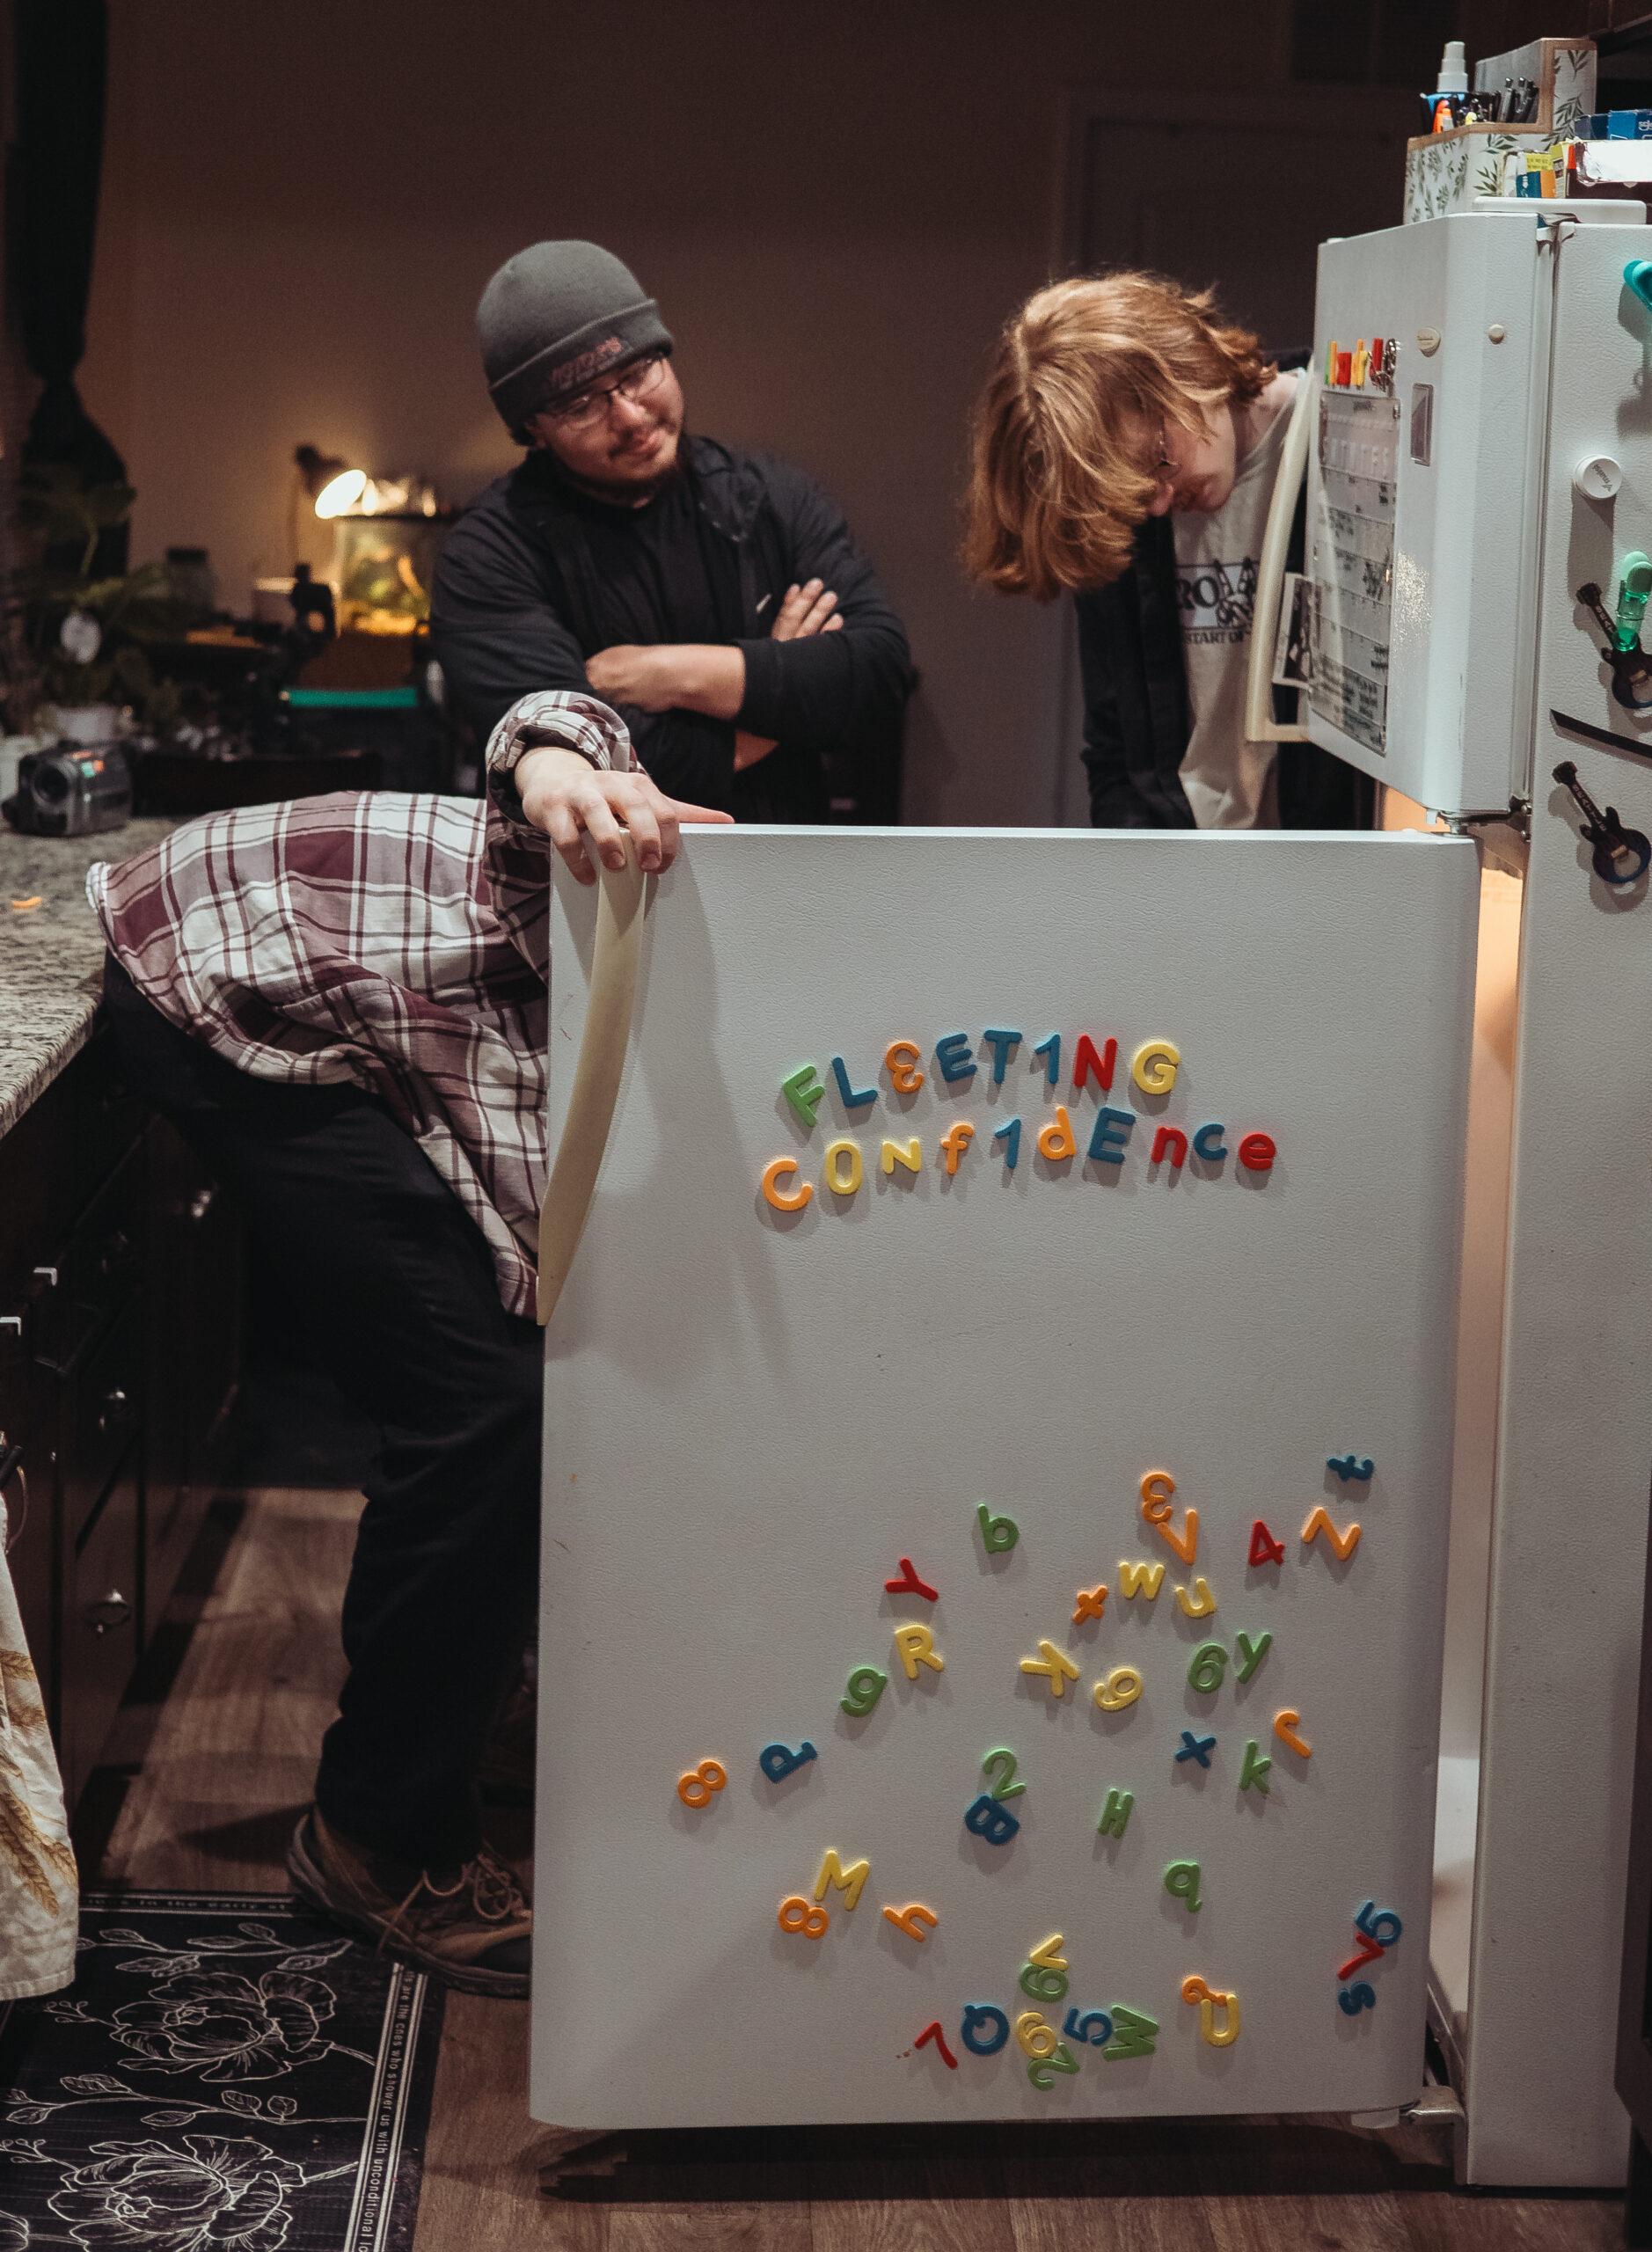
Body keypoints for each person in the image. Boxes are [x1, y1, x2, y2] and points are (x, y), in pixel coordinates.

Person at [91, 692, 723, 1996]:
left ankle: (468, 1705)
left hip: (334, 958)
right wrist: (563, 763)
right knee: (483, 1400)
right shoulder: (583, 975)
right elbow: (550, 718)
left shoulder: (677, 1013)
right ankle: (382, 1833)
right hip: (203, 973)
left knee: (524, 1381)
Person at [432, 239, 916, 823]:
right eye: (581, 404)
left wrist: (668, 673)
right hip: (600, 896)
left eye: (638, 372)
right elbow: (587, 765)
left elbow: (879, 676)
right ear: (532, 428)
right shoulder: (488, 553)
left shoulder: (771, 498)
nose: (631, 416)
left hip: (790, 876)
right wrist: (779, 704)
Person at [962, 270, 1372, 832]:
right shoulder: (1120, 510)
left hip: (1330, 861)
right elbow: (1114, 749)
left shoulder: (1347, 427)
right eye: (1131, 492)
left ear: (1185, 367)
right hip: (1183, 871)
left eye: (1159, 458)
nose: (1156, 505)